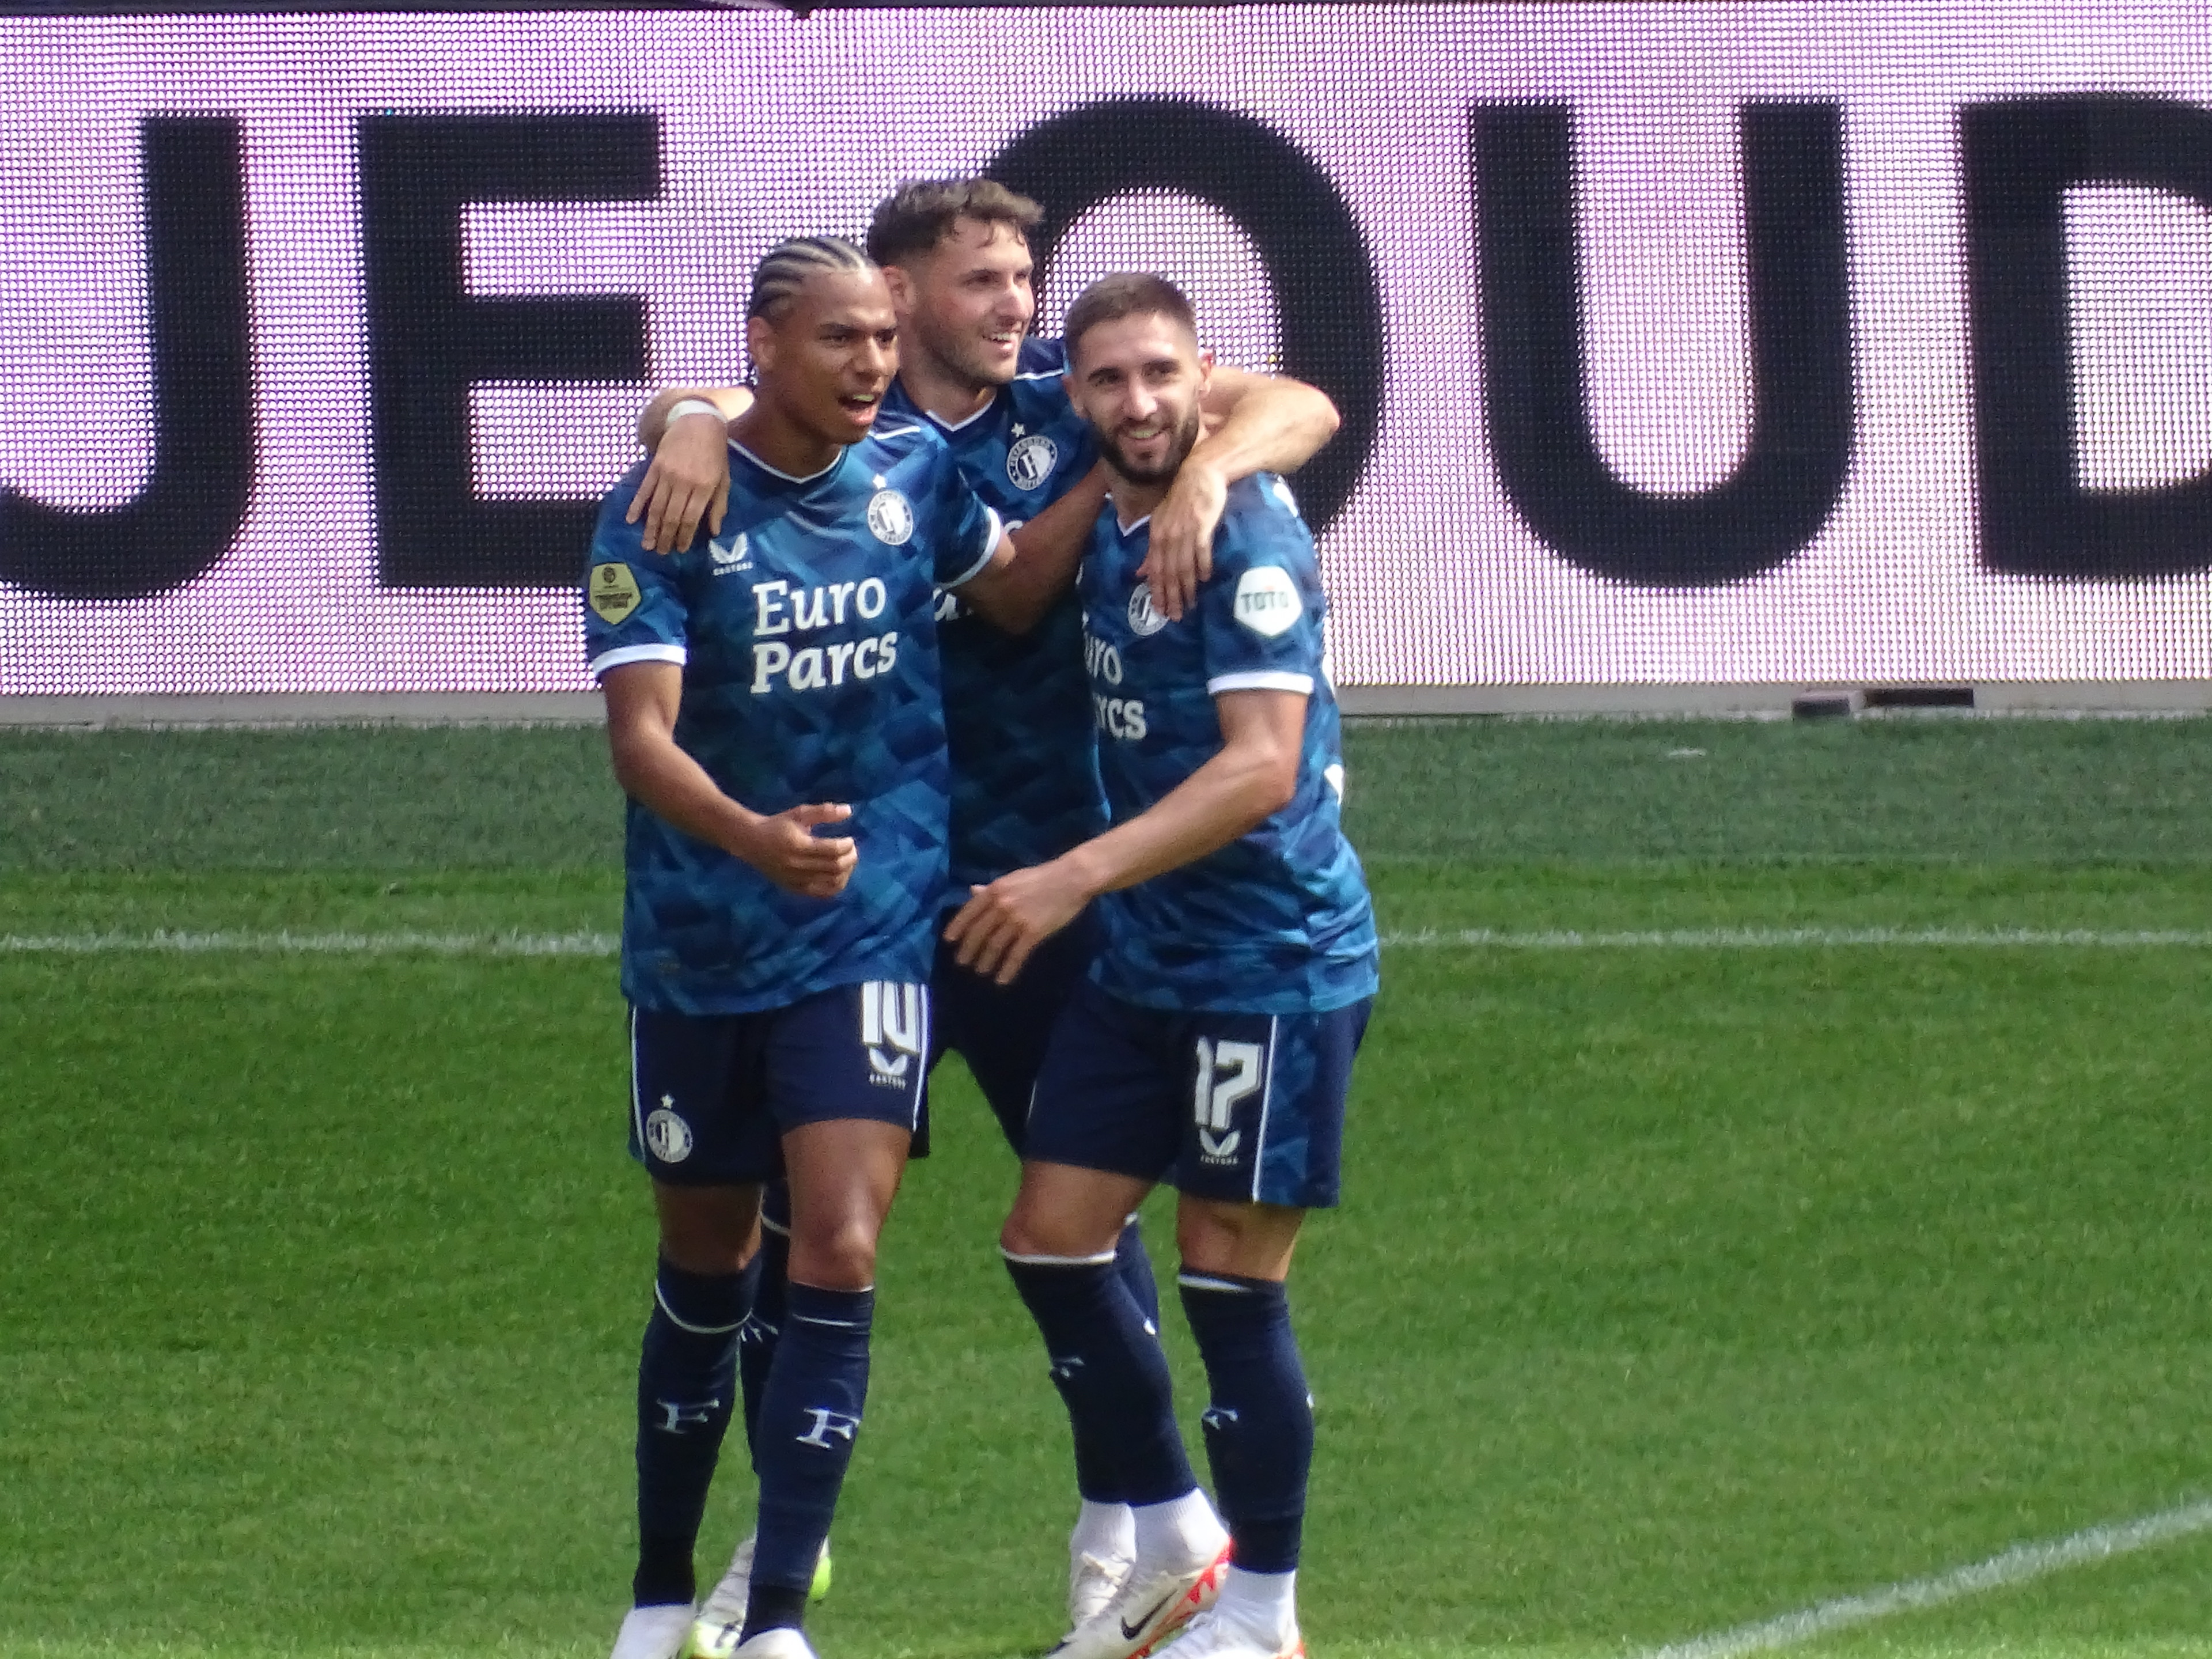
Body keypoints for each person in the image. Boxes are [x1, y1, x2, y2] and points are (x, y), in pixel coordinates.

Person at [624, 179, 1342, 1652]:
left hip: (1040, 886)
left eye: (1027, 278)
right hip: (869, 895)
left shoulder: (1072, 411)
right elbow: (719, 415)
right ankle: (783, 1545)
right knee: (805, 1227)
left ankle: (1140, 1523)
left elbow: (1286, 399)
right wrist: (686, 414)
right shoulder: (853, 425)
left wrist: (1199, 475)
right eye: (981, 281)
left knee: (1080, 1221)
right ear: (896, 293)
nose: (1015, 303)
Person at [583, 234, 1078, 1659]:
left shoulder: (916, 474)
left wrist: (1118, 466)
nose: (871, 364)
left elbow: (1018, 584)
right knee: (706, 1266)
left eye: (881, 337)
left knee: (844, 1250)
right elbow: (641, 743)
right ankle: (662, 1586)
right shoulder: (663, 508)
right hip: (700, 938)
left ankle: (779, 1617)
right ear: (762, 344)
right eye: (839, 340)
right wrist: (752, 840)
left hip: (869, 922)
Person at [944, 272, 1379, 1659]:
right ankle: (1183, 1543)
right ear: (1077, 400)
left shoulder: (1241, 531)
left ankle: (1261, 1617)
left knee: (1227, 1281)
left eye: (1161, 377)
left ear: (1204, 381)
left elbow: (1258, 771)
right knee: (1051, 1240)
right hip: (1147, 962)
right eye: (1110, 382)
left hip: (1269, 960)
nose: (1139, 404)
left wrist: (1073, 876)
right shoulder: (1113, 510)